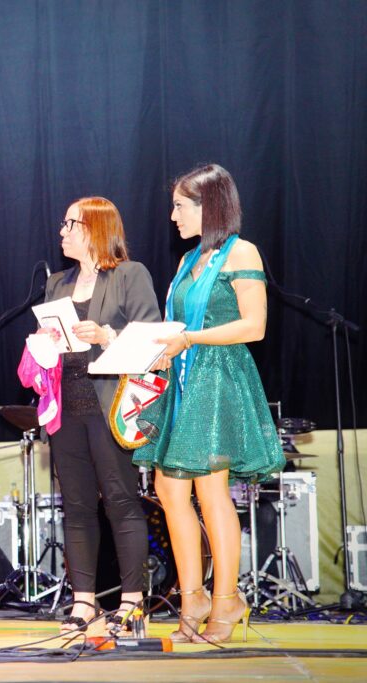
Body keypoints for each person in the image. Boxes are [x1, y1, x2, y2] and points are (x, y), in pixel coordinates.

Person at [135, 164, 285, 643]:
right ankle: (193, 594)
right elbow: (171, 325)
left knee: (210, 490)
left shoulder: (243, 252)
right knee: (169, 489)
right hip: (182, 379)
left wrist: (190, 339)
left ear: (209, 206)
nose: (172, 214)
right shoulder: (187, 261)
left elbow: (254, 325)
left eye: (180, 205)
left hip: (218, 378)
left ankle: (227, 599)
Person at [37, 197, 161, 637]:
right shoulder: (56, 284)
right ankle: (84, 602)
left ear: (94, 228)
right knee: (75, 507)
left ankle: (132, 601)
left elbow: (152, 339)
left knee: (121, 502)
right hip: (66, 407)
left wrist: (107, 335)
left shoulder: (130, 274)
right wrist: (42, 345)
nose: (62, 231)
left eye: (69, 224)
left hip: (111, 406)